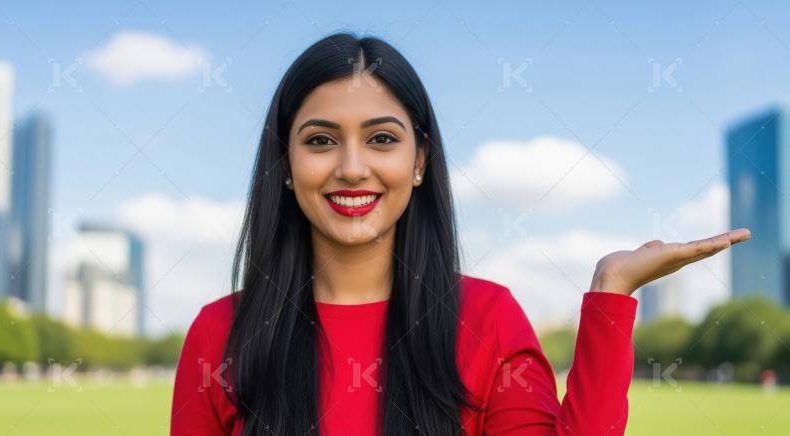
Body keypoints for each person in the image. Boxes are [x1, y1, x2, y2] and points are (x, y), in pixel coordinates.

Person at [170, 31, 751, 435]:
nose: (351, 166)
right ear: (286, 165)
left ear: (420, 160)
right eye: (321, 140)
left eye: (382, 139)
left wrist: (611, 291)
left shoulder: (489, 320)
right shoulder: (219, 334)